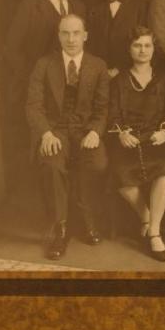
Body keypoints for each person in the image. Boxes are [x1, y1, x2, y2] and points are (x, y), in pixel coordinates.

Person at [26, 14, 109, 260]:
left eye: (76, 33)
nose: (71, 39)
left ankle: (84, 216)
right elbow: (33, 105)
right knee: (53, 165)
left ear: (85, 36)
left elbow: (103, 108)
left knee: (97, 162)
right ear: (58, 35)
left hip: (84, 130)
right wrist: (45, 133)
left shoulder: (98, 65)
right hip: (56, 129)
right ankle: (61, 227)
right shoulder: (44, 64)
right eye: (65, 33)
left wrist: (95, 131)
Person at [107, 26, 165, 262]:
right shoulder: (118, 80)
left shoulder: (164, 79)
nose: (143, 50)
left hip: (154, 139)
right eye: (137, 45)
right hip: (128, 139)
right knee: (120, 175)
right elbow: (113, 114)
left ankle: (154, 232)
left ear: (154, 48)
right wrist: (121, 134)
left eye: (147, 45)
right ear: (129, 49)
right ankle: (146, 217)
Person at [4, 0, 87, 114]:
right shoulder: (28, 7)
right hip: (38, 90)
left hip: (72, 89)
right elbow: (11, 49)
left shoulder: (79, 6)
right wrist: (33, 75)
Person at [86, 0, 147, 79]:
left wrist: (120, 69)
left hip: (131, 73)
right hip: (100, 75)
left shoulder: (141, 8)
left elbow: (144, 44)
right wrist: (101, 70)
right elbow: (90, 44)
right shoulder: (95, 10)